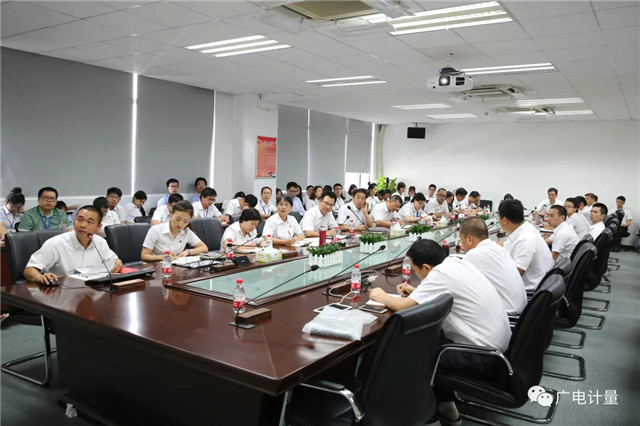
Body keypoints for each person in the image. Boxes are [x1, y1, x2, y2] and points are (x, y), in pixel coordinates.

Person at [369, 239, 510, 425]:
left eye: (415, 270)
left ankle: (429, 417)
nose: (416, 274)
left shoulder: (440, 275)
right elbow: (446, 291)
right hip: (498, 351)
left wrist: (380, 295)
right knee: (427, 338)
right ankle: (447, 407)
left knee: (409, 353)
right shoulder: (457, 263)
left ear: (426, 267)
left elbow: (402, 306)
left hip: (481, 358)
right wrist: (419, 293)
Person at [24, 205, 123, 285]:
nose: (83, 225)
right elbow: (29, 270)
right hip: (62, 294)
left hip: (91, 292)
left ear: (98, 227)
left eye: (89, 222)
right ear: (74, 221)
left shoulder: (100, 242)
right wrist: (40, 277)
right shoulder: (55, 243)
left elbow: (114, 260)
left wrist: (118, 261)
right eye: (80, 220)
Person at [460, 218, 527, 315]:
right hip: (521, 310)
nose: (461, 244)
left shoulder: (475, 254)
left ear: (470, 239)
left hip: (509, 315)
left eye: (461, 239)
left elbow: (459, 284)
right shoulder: (499, 249)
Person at [498, 199, 554, 291]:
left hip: (530, 292)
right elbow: (505, 245)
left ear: (504, 220)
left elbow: (514, 275)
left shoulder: (526, 239)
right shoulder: (525, 228)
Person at [142, 201, 208, 261]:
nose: (180, 224)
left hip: (176, 266)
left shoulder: (186, 232)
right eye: (177, 219)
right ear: (171, 214)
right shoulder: (155, 230)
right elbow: (144, 256)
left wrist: (188, 252)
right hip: (157, 266)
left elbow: (204, 248)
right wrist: (164, 257)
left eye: (185, 221)